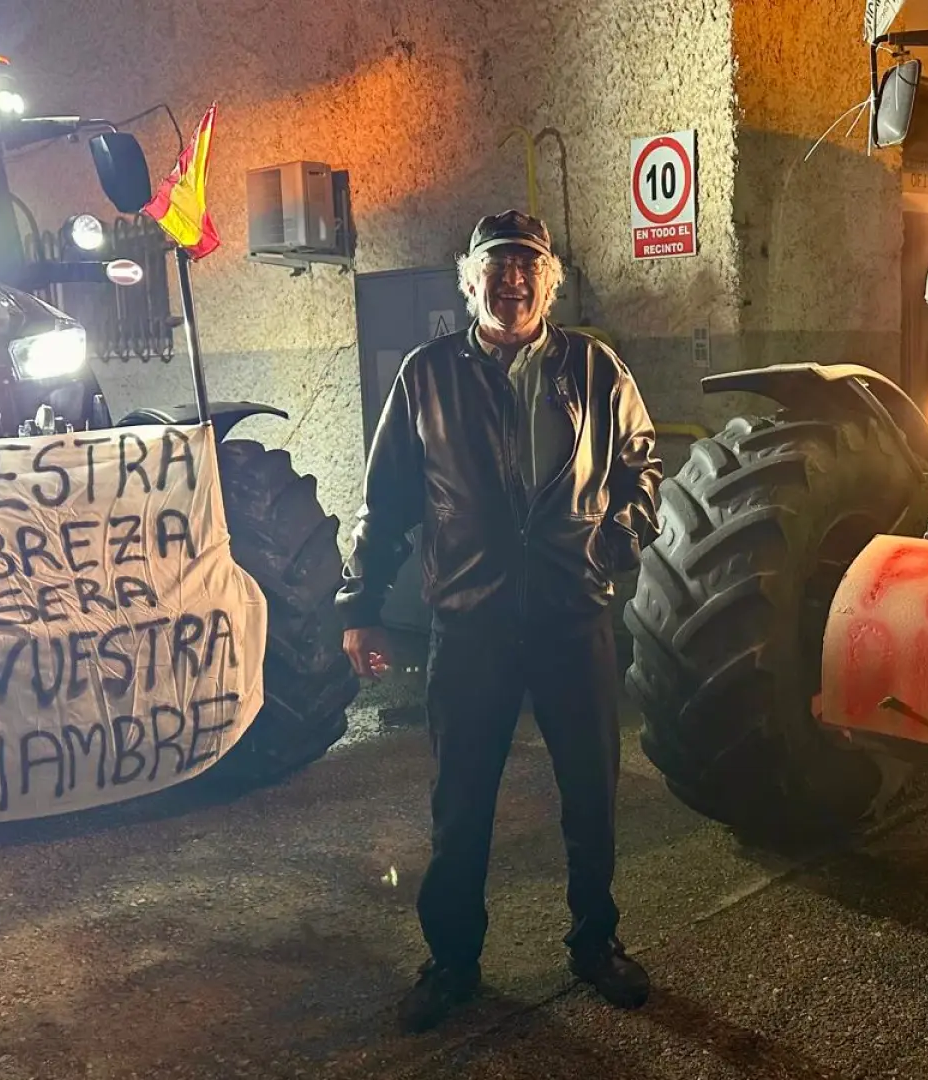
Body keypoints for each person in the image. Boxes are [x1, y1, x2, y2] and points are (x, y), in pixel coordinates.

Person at [337, 210, 664, 1033]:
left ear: (549, 279)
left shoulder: (595, 368)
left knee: (590, 796)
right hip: (471, 628)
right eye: (496, 265)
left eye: (528, 264)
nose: (512, 279)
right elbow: (386, 503)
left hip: (572, 619)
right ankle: (453, 964)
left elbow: (642, 469)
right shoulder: (427, 374)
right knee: (461, 806)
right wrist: (361, 608)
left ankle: (596, 944)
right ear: (469, 279)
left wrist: (610, 546)